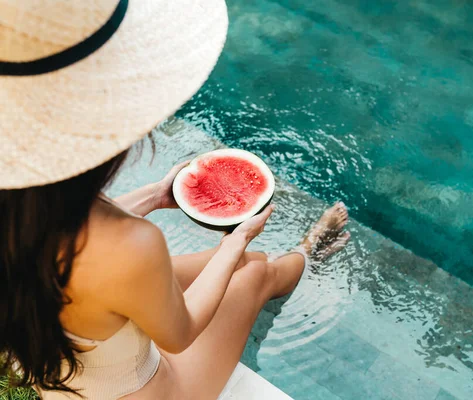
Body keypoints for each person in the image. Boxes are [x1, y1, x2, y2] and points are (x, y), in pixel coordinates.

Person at [0, 0, 350, 399]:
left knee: (242, 263)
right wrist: (236, 239)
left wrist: (153, 195)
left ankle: (284, 261)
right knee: (251, 269)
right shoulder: (132, 244)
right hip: (147, 392)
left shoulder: (21, 200)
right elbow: (180, 333)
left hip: (66, 371)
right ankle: (309, 251)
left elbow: (73, 231)